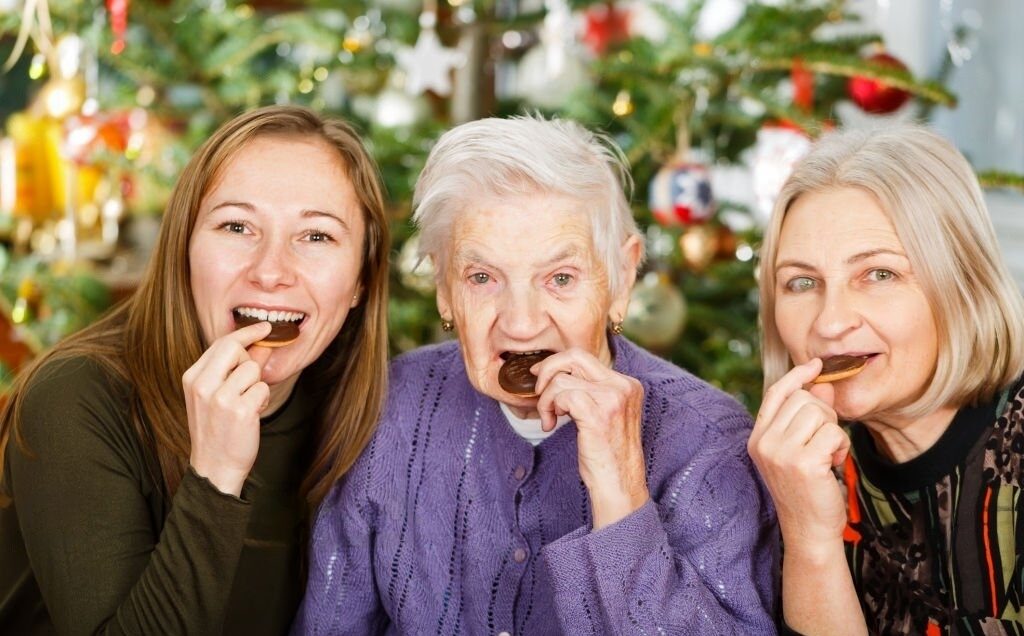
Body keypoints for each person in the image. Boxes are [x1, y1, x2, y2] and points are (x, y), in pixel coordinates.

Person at [293, 114, 777, 634]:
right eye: (482, 277)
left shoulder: (709, 442)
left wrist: (620, 498)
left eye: (560, 278)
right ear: (443, 289)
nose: (521, 323)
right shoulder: (390, 408)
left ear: (619, 279)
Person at [0, 104, 391, 635]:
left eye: (316, 236)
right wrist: (215, 477)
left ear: (361, 281)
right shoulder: (74, 399)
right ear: (183, 250)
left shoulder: (371, 421)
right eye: (236, 226)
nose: (271, 271)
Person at [747, 125, 1024, 634]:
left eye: (879, 275)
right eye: (802, 283)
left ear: (963, 284)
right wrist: (811, 542)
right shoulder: (797, 469)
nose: (830, 323)